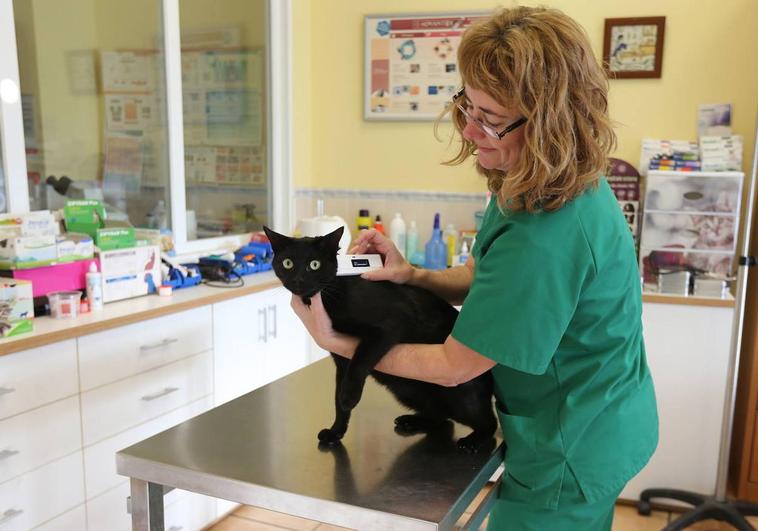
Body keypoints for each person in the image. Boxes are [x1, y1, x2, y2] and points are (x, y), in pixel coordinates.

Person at [291, 6, 658, 530]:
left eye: (490, 118)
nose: (469, 127)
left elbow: (454, 366)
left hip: (573, 444)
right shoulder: (548, 179)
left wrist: (338, 344)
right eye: (467, 104)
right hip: (605, 413)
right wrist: (412, 275)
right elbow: (488, 276)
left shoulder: (547, 231)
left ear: (552, 119)